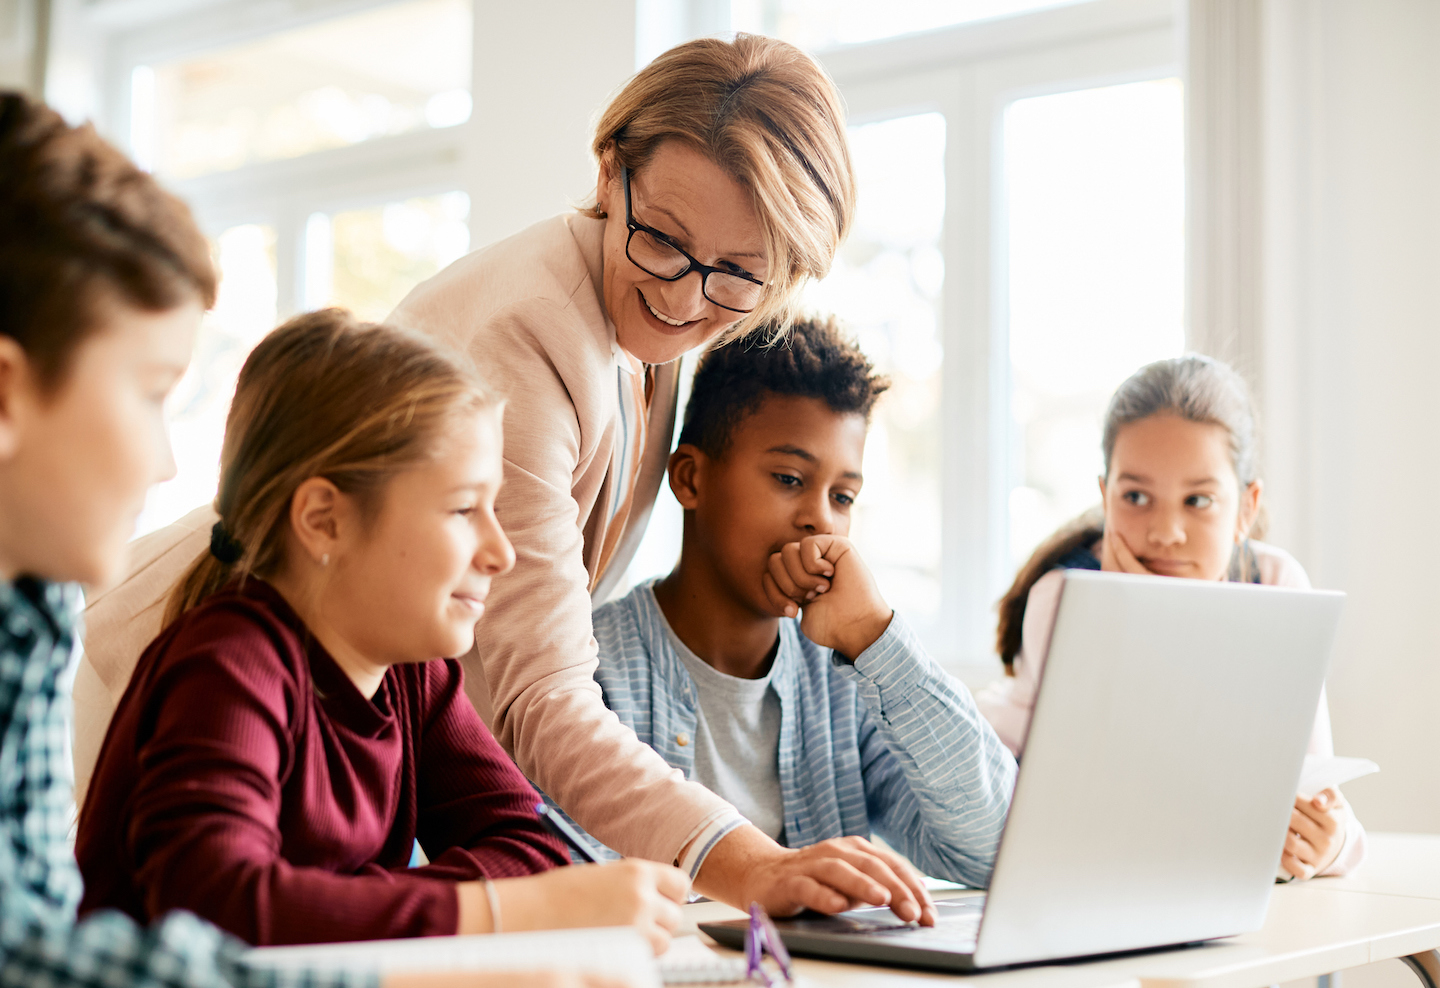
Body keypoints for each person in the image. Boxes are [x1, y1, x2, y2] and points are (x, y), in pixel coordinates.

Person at [73, 34, 933, 925]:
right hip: (251, 686)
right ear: (611, 174)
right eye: (663, 243)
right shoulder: (527, 335)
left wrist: (433, 904)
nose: (683, 301)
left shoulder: (425, 673)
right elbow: (541, 698)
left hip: (369, 683)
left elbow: (519, 835)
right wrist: (745, 863)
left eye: (736, 275)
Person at [0, 90, 695, 988]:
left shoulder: (25, 618)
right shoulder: (226, 658)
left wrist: (357, 909)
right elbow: (164, 933)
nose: (164, 466)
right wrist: (441, 964)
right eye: (152, 393)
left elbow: (28, 974)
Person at [75, 309, 690, 952]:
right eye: (461, 509)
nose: (500, 552)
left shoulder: (411, 671)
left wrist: (334, 903)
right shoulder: (227, 665)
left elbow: (533, 851)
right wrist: (498, 909)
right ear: (324, 520)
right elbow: (217, 910)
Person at [573, 318, 1017, 988]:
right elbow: (583, 920)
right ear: (690, 477)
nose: (822, 521)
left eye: (842, 496)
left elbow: (994, 850)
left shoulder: (845, 674)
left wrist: (878, 639)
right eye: (788, 479)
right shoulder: (589, 672)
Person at [978, 355, 1365, 882]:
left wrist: (1333, 843)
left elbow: (1321, 791)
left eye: (1198, 500)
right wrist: (1129, 612)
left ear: (1246, 508)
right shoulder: (1062, 597)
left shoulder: (1277, 586)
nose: (1165, 532)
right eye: (1136, 497)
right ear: (1104, 497)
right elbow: (1100, 802)